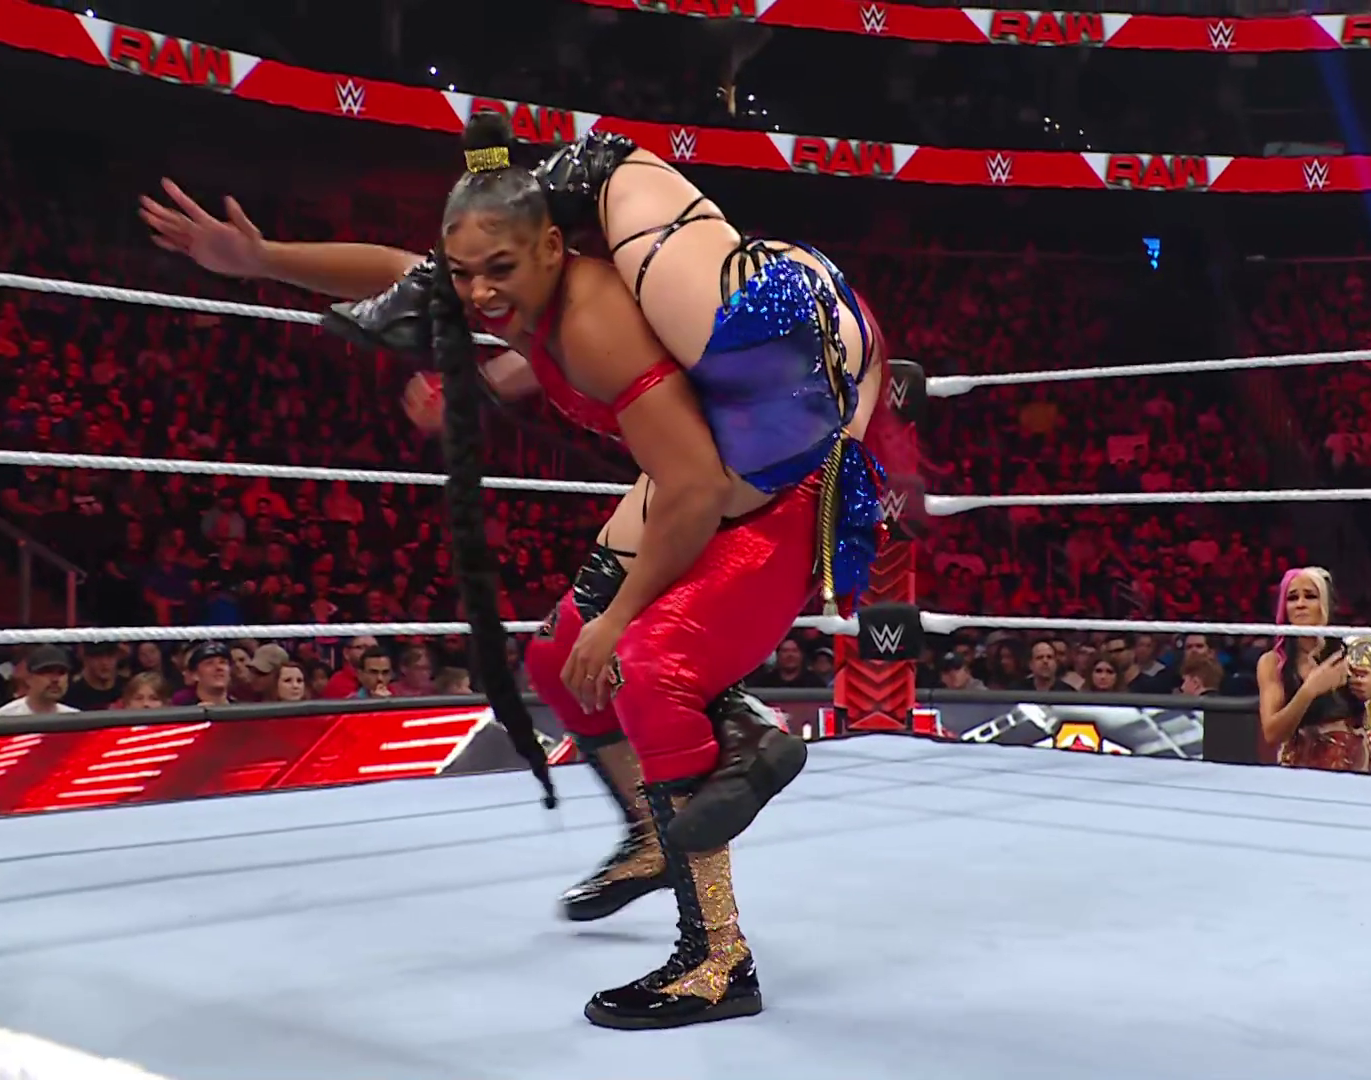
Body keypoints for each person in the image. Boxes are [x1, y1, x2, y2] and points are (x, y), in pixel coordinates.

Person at [143, 114, 892, 1029]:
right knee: (556, 662)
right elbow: (393, 270)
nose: (479, 292)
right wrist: (260, 258)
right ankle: (660, 825)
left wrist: (618, 621)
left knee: (645, 668)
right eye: (463, 273)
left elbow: (695, 488)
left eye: (497, 269)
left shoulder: (596, 324)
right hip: (706, 480)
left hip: (777, 498)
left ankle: (717, 958)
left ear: (550, 246)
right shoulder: (510, 288)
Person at [1255, 566, 1371, 772]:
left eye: (1310, 596)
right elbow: (1272, 734)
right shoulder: (1273, 662)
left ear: (1325, 604)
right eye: (1292, 598)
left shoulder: (1350, 647)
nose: (1300, 604)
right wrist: (1309, 691)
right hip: (1300, 771)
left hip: (1352, 767)